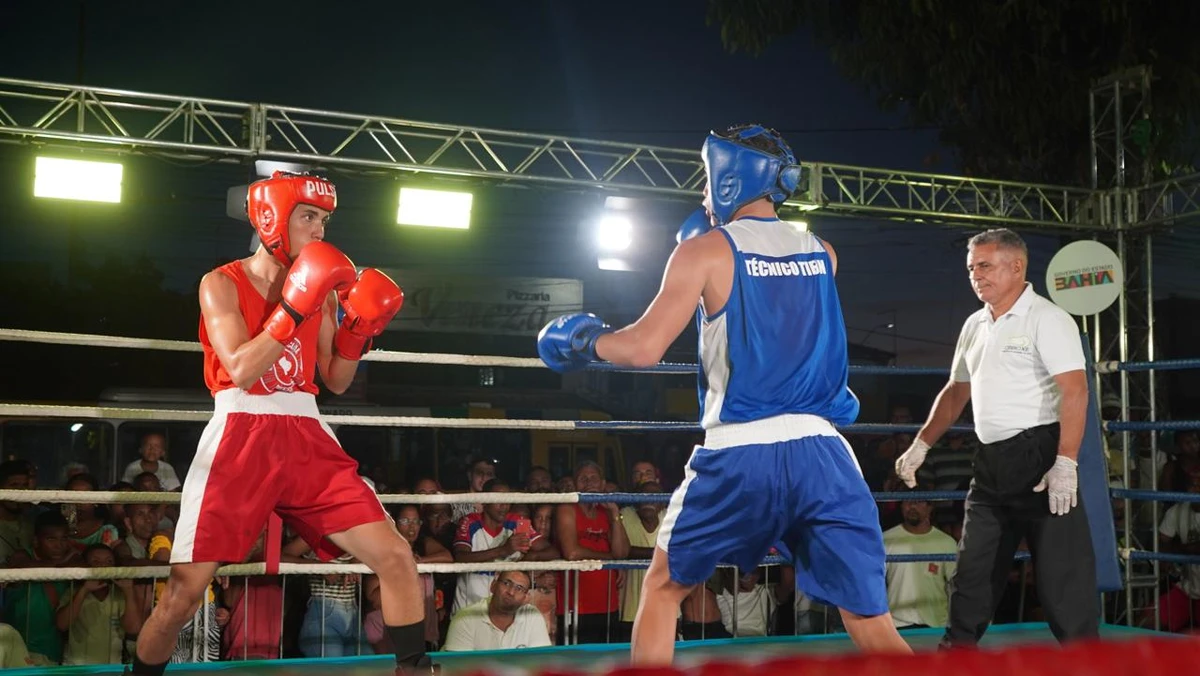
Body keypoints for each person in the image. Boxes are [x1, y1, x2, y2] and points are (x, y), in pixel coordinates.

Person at [536, 124, 912, 664]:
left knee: (664, 588)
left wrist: (587, 341)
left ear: (730, 180)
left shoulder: (706, 252)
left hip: (740, 452)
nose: (703, 195)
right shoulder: (824, 253)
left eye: (708, 182)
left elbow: (643, 348)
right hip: (825, 454)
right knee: (868, 616)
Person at [127, 171, 433, 675]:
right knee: (183, 593)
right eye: (308, 217)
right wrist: (295, 305)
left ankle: (416, 671)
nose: (319, 231)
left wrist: (359, 333)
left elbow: (335, 379)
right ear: (271, 220)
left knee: (397, 556)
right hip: (241, 435)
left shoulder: (326, 293)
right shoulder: (220, 283)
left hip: (306, 434)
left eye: (325, 221)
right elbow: (242, 368)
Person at [894, 227, 1098, 647]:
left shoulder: (1048, 318)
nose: (976, 276)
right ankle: (955, 658)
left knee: (1062, 578)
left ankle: (1087, 664)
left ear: (1016, 266)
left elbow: (1075, 390)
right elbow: (956, 391)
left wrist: (1066, 461)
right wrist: (922, 444)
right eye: (971, 268)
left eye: (984, 266)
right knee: (973, 572)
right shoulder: (974, 324)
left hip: (1041, 456)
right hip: (989, 462)